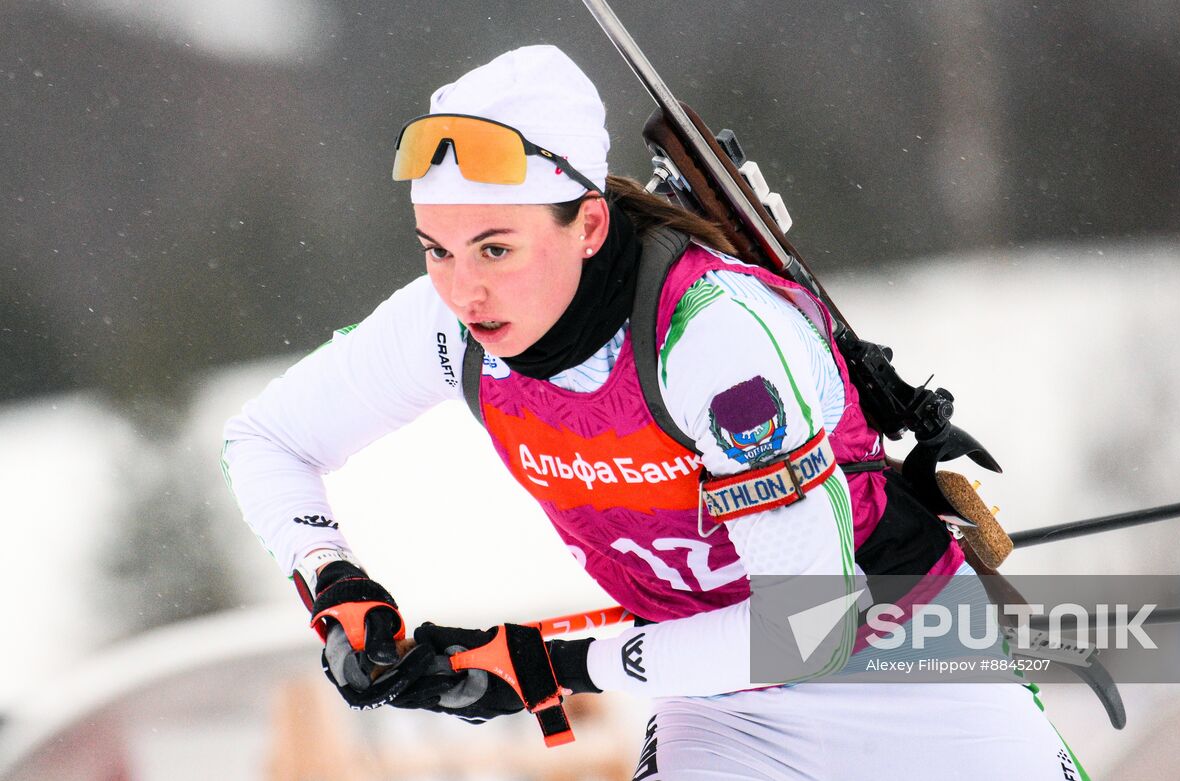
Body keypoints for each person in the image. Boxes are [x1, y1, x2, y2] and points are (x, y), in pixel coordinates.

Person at [223, 45, 1087, 779]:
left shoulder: (712, 342)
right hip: (725, 704)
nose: (464, 287)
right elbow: (264, 439)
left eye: (496, 248)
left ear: (590, 224)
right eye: (437, 251)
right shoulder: (449, 330)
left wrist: (550, 665)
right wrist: (334, 579)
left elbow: (810, 631)